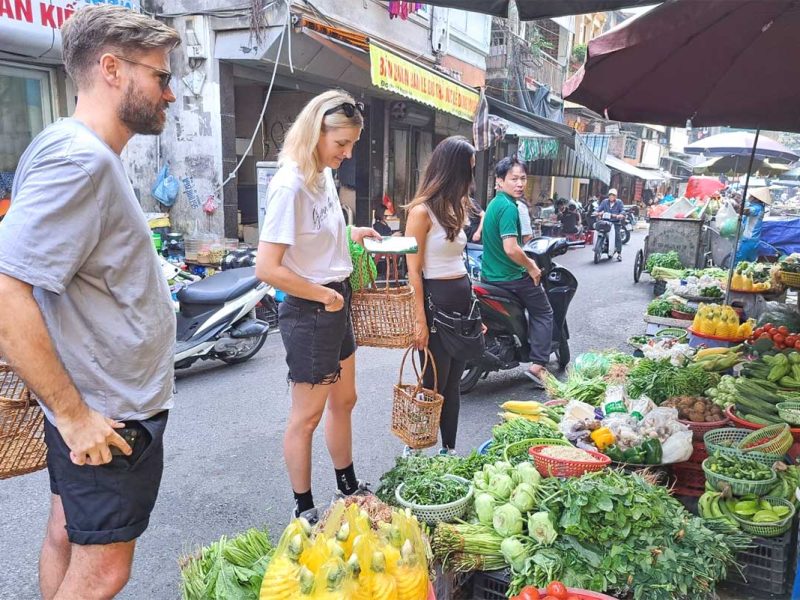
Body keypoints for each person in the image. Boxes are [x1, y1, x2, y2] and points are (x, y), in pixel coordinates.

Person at [0, 6, 179, 598]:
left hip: (99, 404)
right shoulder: (79, 159)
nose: (170, 93)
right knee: (104, 569)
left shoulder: (72, 147)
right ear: (112, 68)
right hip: (107, 414)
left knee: (65, 531)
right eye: (160, 75)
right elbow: (5, 290)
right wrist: (76, 418)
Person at [256, 90, 381, 523]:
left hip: (335, 297)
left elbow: (318, 242)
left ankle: (347, 487)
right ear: (316, 132)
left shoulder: (322, 174)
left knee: (345, 399)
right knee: (305, 418)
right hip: (312, 309)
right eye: (341, 144)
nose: (346, 154)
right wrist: (324, 295)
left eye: (351, 145)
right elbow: (267, 268)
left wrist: (353, 234)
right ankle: (304, 509)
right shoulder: (289, 185)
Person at [405, 136, 476, 456]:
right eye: (468, 172)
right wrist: (419, 319)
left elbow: (459, 261)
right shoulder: (421, 212)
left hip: (461, 303)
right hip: (436, 304)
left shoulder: (458, 205)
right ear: (452, 171)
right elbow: (413, 272)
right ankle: (415, 448)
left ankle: (448, 451)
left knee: (453, 386)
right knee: (432, 384)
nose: (471, 180)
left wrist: (475, 312)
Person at [481, 157, 554, 387]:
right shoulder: (509, 208)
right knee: (544, 312)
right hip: (511, 278)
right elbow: (511, 248)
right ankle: (538, 365)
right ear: (500, 181)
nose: (520, 183)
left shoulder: (494, 203)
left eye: (523, 178)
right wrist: (532, 266)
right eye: (514, 179)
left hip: (489, 276)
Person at [734, 187, 772, 264]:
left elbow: (745, 211)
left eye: (751, 196)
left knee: (738, 265)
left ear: (756, 199)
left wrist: (736, 207)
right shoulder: (757, 206)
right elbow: (746, 205)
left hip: (747, 240)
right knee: (749, 266)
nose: (749, 197)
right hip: (754, 241)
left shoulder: (757, 208)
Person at [595, 187, 626, 261]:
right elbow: (599, 209)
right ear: (608, 196)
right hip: (605, 222)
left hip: (615, 223)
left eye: (613, 195)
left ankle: (619, 254)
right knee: (599, 230)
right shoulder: (605, 202)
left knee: (617, 237)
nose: (611, 196)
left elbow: (622, 211)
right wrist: (596, 213)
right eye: (610, 195)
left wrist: (620, 215)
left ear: (616, 196)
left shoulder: (619, 202)